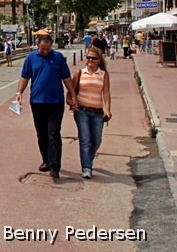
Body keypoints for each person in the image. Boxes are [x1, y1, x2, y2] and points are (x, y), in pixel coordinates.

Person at [16, 35, 77, 179]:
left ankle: (55, 166)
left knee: (54, 133)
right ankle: (46, 161)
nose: (45, 51)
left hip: (55, 102)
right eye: (43, 49)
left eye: (48, 49)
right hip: (37, 102)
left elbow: (66, 77)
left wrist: (72, 94)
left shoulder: (58, 57)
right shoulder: (30, 58)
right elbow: (25, 77)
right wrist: (19, 92)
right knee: (42, 134)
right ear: (37, 45)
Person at [71, 46, 112, 179]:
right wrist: (72, 102)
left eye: (93, 58)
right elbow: (72, 90)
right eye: (88, 57)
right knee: (85, 140)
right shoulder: (80, 73)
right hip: (82, 110)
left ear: (99, 60)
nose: (90, 60)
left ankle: (88, 158)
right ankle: (87, 168)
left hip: (98, 112)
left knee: (97, 140)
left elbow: (106, 92)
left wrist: (108, 109)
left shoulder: (103, 75)